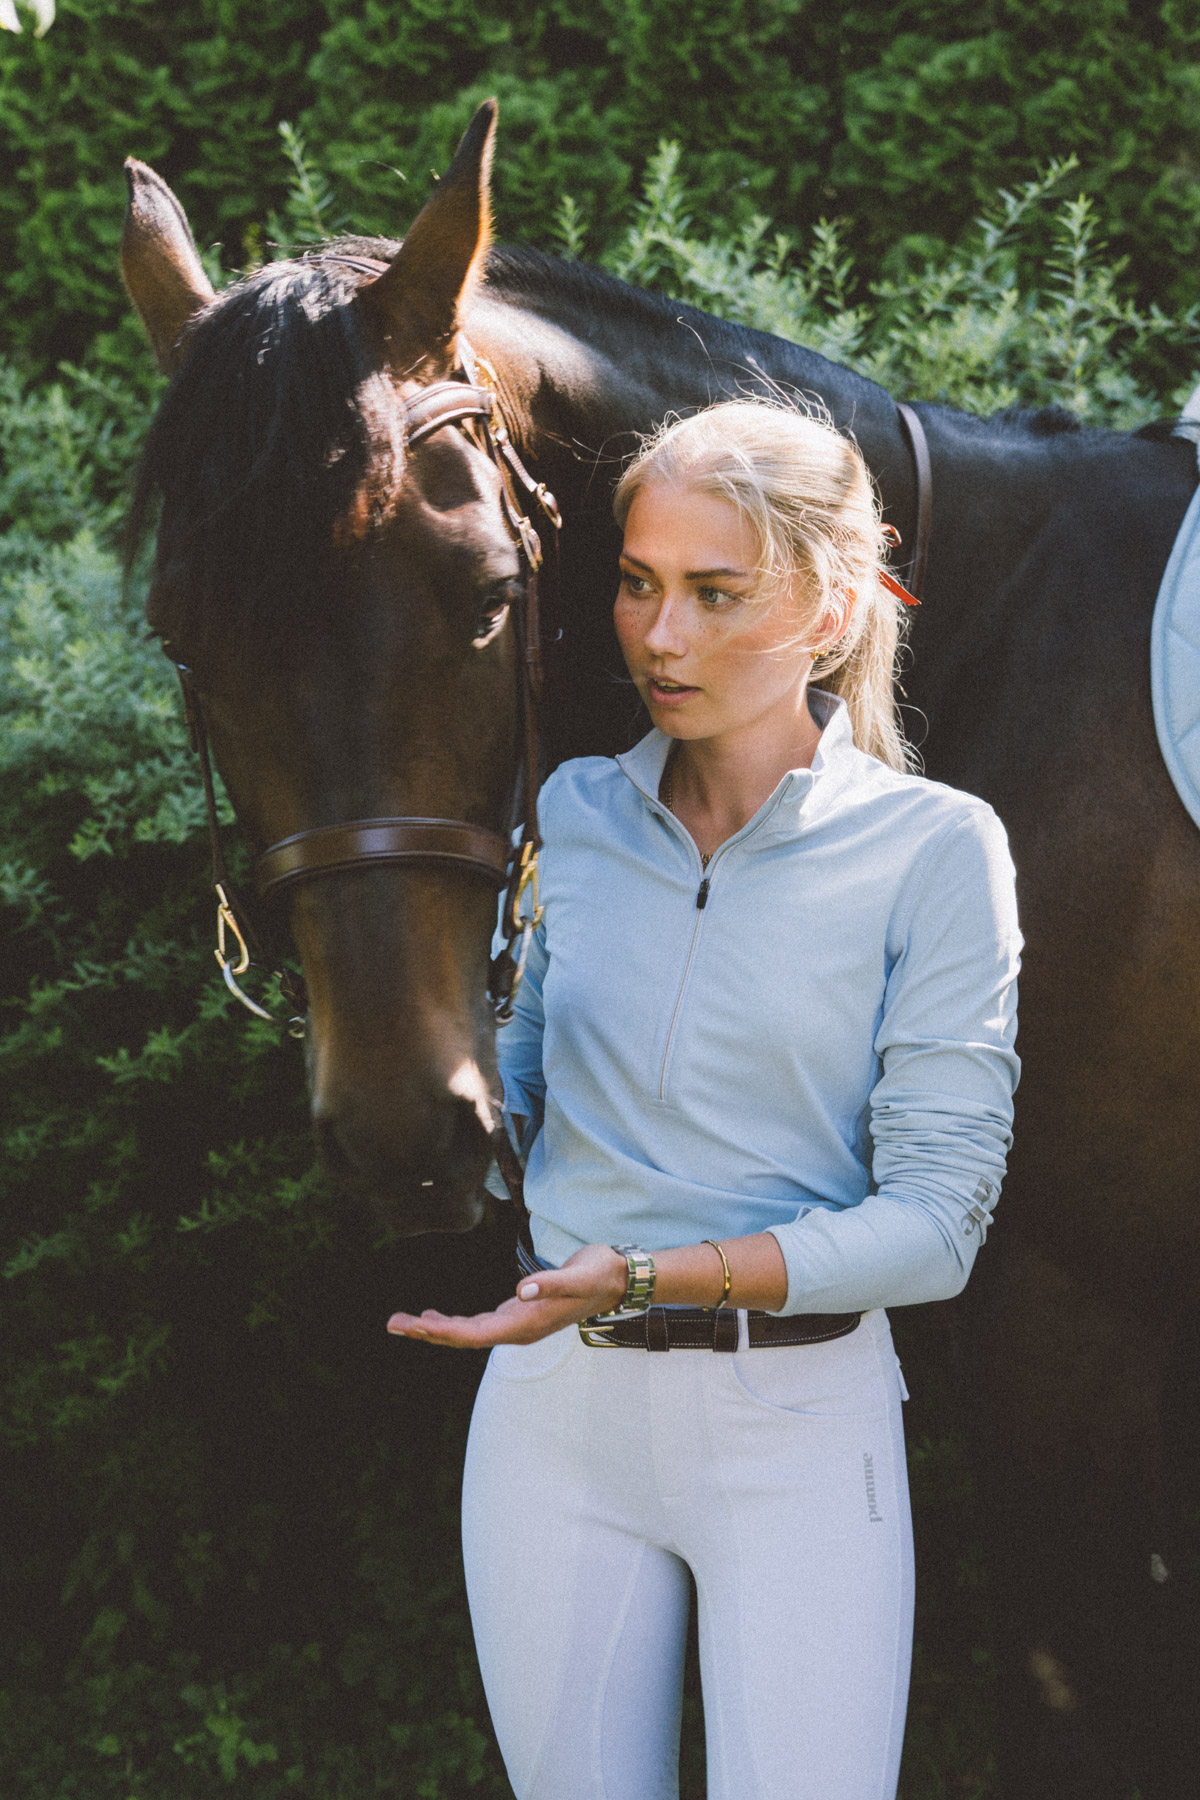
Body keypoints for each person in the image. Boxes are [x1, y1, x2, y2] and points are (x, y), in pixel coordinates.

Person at [387, 399, 1021, 1800]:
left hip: (798, 1428)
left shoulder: (934, 852)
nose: (659, 637)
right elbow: (512, 1110)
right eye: (637, 583)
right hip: (551, 1415)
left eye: (714, 593)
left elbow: (936, 1229)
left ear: (834, 609)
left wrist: (642, 1275)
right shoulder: (566, 815)